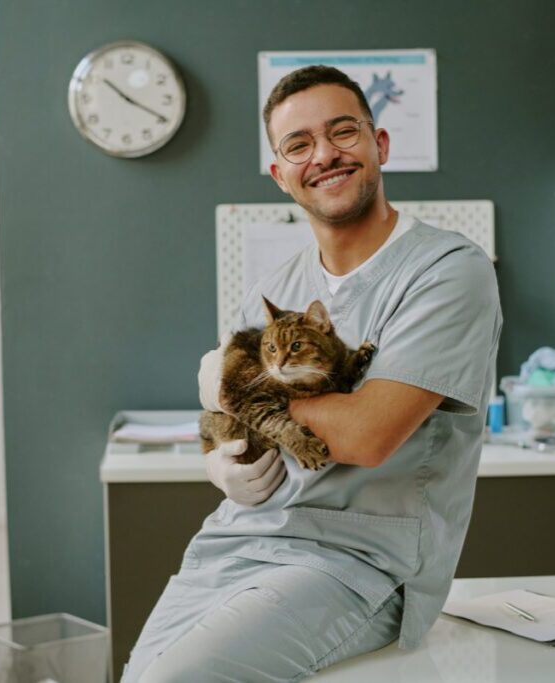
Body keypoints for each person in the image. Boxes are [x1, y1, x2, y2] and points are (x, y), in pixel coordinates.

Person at [122, 65, 502, 682]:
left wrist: (233, 387)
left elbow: (366, 434)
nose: (323, 155)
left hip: (358, 563)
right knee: (138, 676)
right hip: (239, 541)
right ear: (281, 174)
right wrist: (220, 463)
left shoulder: (447, 271)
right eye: (298, 145)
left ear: (379, 144)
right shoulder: (275, 291)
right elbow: (231, 423)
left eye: (342, 132)